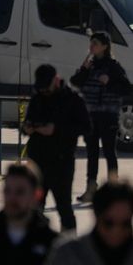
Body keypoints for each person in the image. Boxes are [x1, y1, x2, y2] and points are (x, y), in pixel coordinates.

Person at [24, 64, 91, 231]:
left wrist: (57, 129)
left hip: (61, 162)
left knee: (64, 208)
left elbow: (86, 127)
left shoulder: (72, 98)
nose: (44, 92)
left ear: (56, 80)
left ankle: (69, 246)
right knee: (34, 208)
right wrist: (27, 128)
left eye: (46, 88)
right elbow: (27, 121)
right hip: (37, 161)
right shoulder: (37, 97)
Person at [70, 32, 131, 203]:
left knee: (110, 152)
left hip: (108, 115)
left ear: (104, 46)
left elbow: (126, 88)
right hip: (91, 116)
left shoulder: (113, 66)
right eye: (91, 43)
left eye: (95, 43)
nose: (91, 47)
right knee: (92, 153)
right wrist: (83, 69)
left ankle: (114, 188)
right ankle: (91, 187)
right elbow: (75, 82)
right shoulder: (90, 65)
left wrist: (110, 81)